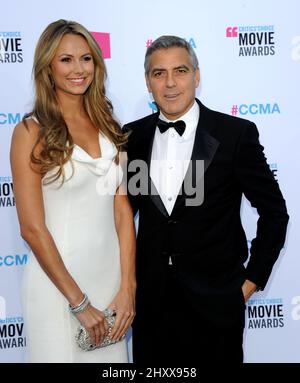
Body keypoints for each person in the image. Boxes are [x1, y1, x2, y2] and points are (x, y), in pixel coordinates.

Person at [124, 35, 289, 364]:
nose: (170, 83)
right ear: (147, 82)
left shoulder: (235, 134)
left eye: (180, 70)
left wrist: (248, 283)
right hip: (151, 307)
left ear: (197, 76)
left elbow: (274, 213)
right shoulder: (131, 137)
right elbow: (120, 216)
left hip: (217, 306)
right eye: (159, 73)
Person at [10, 19, 136, 363]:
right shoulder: (29, 132)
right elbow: (32, 230)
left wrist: (127, 287)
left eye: (86, 58)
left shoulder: (110, 125)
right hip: (58, 289)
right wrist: (78, 302)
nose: (78, 69)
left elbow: (122, 210)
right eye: (66, 60)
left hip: (110, 288)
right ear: (48, 67)